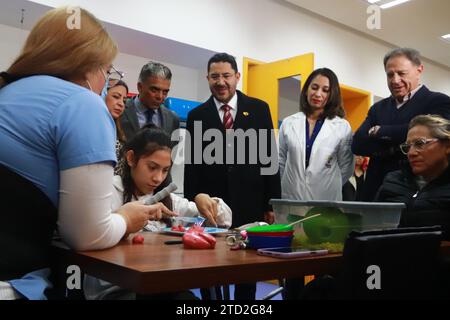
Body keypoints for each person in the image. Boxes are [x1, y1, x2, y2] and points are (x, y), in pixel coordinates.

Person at [0, 7, 172, 300]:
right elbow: (87, 234)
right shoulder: (82, 104)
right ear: (87, 64)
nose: (106, 80)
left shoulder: (8, 91)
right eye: (107, 70)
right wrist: (126, 218)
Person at [84, 125, 232, 300]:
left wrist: (205, 200)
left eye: (164, 170)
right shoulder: (107, 191)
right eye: (152, 167)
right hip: (115, 287)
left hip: (159, 285)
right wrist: (124, 219)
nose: (158, 178)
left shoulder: (167, 200)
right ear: (131, 158)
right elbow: (89, 235)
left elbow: (224, 221)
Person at [184, 52, 281, 300]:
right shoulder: (198, 115)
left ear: (237, 77)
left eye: (226, 75)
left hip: (250, 202)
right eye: (214, 76)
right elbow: (193, 164)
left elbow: (269, 158)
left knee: (246, 268)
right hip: (211, 207)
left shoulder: (258, 109)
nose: (221, 81)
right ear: (207, 78)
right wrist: (193, 198)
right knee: (208, 267)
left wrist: (271, 202)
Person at [352, 48, 450, 201]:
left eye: (401, 73)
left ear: (419, 70)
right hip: (374, 193)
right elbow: (358, 144)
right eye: (390, 75)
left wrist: (380, 132)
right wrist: (395, 146)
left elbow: (436, 137)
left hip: (417, 193)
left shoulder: (439, 102)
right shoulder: (378, 108)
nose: (395, 80)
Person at [279, 68, 354, 201]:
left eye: (325, 90)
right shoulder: (288, 123)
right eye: (314, 87)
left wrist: (327, 185)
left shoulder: (342, 127)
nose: (318, 94)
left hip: (326, 199)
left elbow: (346, 168)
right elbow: (281, 161)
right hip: (292, 197)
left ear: (332, 95)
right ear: (307, 89)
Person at [376, 114, 450, 239]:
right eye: (407, 147)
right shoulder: (393, 180)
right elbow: (372, 223)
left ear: (447, 146)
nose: (411, 153)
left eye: (420, 143)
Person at [120, 61, 180, 140]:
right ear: (140, 87)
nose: (160, 96)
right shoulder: (120, 110)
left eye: (165, 92)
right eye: (154, 90)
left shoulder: (173, 119)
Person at [105, 79, 129, 175]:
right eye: (116, 97)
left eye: (124, 100)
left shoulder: (119, 130)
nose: (121, 104)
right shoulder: (93, 127)